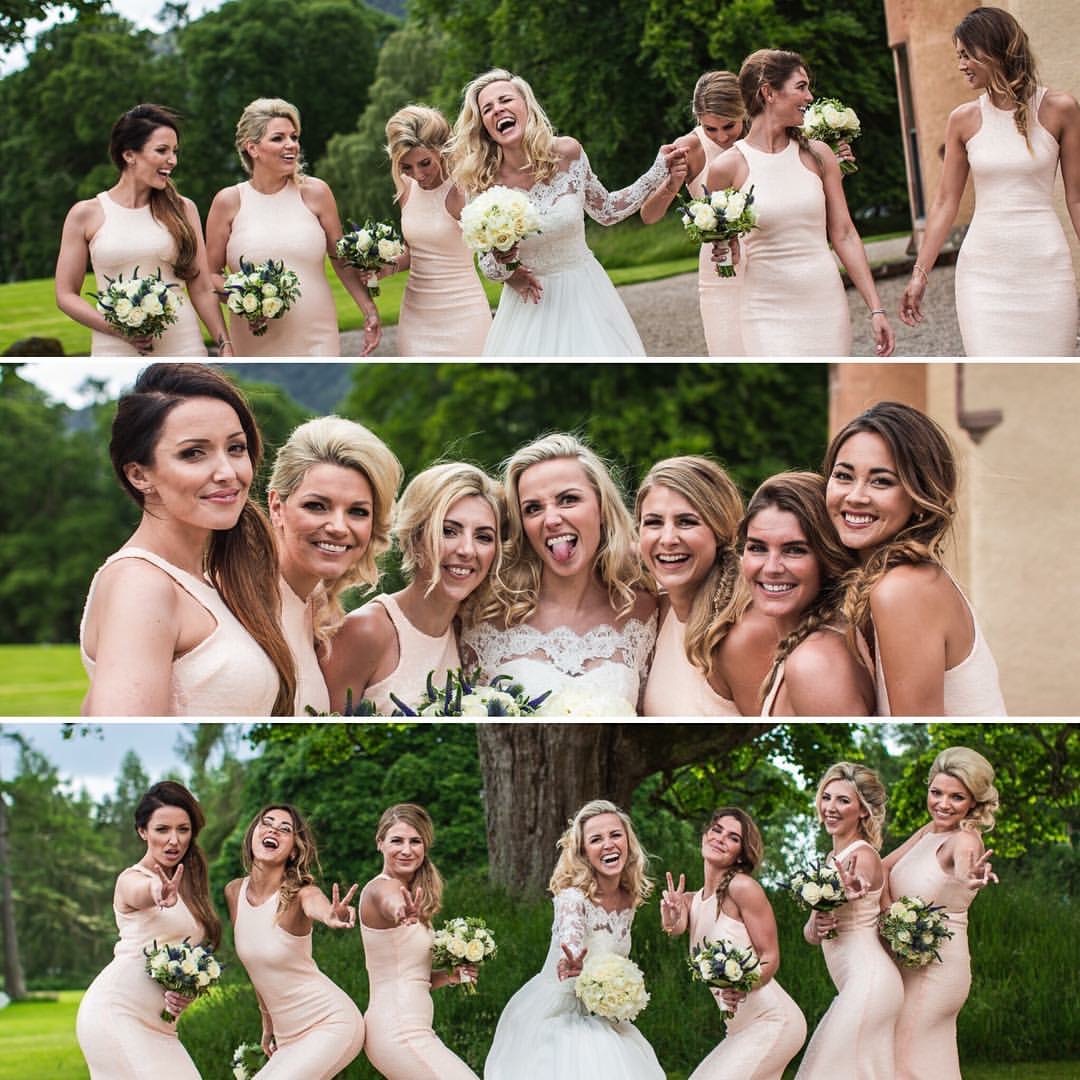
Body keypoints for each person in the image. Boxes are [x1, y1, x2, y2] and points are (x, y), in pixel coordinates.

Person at [80, 363, 295, 715]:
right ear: (139, 475)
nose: (227, 472)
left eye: (236, 448)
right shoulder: (141, 585)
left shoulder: (207, 583)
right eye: (193, 453)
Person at [448, 68, 676, 356]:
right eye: (487, 109)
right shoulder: (481, 181)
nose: (498, 110)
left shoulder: (568, 152)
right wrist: (507, 265)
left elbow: (606, 210)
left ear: (526, 105)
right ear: (483, 126)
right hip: (530, 304)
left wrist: (657, 172)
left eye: (505, 100)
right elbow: (489, 267)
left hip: (585, 293)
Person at [899, 7, 1079, 355]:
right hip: (983, 275)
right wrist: (920, 273)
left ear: (994, 49)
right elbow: (945, 202)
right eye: (958, 56)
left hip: (1046, 267)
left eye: (966, 55)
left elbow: (1077, 198)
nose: (961, 65)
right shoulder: (962, 120)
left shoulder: (1061, 109)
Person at [823, 400, 1006, 715]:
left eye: (882, 481)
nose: (855, 496)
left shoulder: (905, 590)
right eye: (843, 476)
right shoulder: (895, 580)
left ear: (920, 498)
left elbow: (916, 724)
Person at [707, 50, 895, 357]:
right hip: (765, 309)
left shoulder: (818, 155)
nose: (809, 97)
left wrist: (876, 309)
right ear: (768, 92)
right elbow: (726, 246)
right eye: (801, 87)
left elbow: (845, 234)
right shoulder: (727, 167)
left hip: (825, 303)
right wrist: (726, 247)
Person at [462, 434, 656, 712]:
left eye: (568, 499)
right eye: (533, 508)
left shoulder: (647, 610)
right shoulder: (483, 613)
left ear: (602, 507)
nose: (551, 520)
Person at [484, 799, 663, 1079]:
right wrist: (572, 958)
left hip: (604, 1014)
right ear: (583, 852)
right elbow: (571, 933)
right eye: (596, 839)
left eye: (615, 835)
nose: (608, 844)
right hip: (559, 1011)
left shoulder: (628, 899)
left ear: (628, 842)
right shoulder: (572, 898)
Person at [206, 97, 381, 356]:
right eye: (278, 138)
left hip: (316, 333)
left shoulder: (316, 193)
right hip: (253, 338)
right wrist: (244, 296)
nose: (291, 145)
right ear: (252, 148)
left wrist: (369, 309)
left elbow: (340, 258)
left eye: (294, 137)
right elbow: (210, 275)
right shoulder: (228, 201)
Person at [323, 462, 502, 714]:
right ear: (415, 537)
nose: (467, 550)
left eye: (483, 537)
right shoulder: (366, 631)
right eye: (448, 531)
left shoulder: (471, 636)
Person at [55, 104, 232, 357]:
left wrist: (225, 344)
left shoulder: (183, 209)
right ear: (129, 155)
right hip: (114, 350)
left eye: (175, 151)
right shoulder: (85, 214)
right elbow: (65, 295)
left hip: (183, 346)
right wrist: (118, 330)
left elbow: (202, 287)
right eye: (162, 150)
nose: (172, 160)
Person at [77, 782, 220, 1078]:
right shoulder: (132, 879)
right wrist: (157, 891)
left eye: (183, 829)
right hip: (116, 1012)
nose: (174, 840)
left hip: (161, 1026)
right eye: (162, 829)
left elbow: (186, 962)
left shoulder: (190, 888)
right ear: (143, 831)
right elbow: (141, 890)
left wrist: (186, 993)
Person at [267, 416, 402, 714]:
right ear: (277, 507)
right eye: (317, 506)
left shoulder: (318, 610)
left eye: (358, 511)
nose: (338, 527)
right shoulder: (236, 598)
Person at [660, 807, 806, 1079]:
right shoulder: (691, 900)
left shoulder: (742, 888)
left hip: (773, 1020)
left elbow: (770, 956)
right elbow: (675, 927)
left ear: (740, 854)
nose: (721, 838)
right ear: (704, 836)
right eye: (716, 830)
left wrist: (743, 984)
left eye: (733, 837)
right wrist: (670, 914)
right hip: (738, 1030)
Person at [884, 748, 999, 1080]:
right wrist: (888, 914)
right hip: (909, 960)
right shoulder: (930, 831)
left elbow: (965, 869)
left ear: (974, 802)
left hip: (938, 968)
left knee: (905, 1062)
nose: (943, 804)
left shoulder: (965, 840)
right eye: (937, 793)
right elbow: (883, 867)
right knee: (917, 1061)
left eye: (956, 797)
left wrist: (969, 877)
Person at [225, 804, 364, 1078]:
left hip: (329, 1023)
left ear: (293, 851)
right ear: (253, 834)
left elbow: (319, 906)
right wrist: (268, 1022)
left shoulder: (301, 893)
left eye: (284, 829)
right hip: (287, 1037)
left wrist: (332, 915)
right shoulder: (234, 892)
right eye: (267, 823)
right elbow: (256, 970)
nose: (273, 830)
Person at [796, 763, 904, 1079]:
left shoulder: (864, 856)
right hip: (855, 984)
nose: (830, 807)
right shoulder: (832, 860)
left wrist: (854, 888)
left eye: (843, 800)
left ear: (863, 811)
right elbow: (812, 934)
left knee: (824, 1069)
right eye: (827, 797)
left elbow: (861, 881)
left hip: (871, 981)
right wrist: (816, 924)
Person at [738, 472, 874, 717]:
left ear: (828, 558)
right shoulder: (814, 646)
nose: (771, 568)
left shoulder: (814, 664)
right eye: (757, 548)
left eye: (794, 550)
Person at [359, 804, 477, 1079]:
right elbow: (390, 902)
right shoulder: (381, 888)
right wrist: (400, 911)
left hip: (411, 1028)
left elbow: (411, 977)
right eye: (396, 841)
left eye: (415, 841)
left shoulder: (415, 895)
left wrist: (450, 976)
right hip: (397, 1031)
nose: (406, 850)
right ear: (380, 843)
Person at [640, 71, 748, 356]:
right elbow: (648, 216)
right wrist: (673, 183)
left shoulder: (762, 137)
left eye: (729, 125)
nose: (721, 136)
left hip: (769, 257)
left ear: (744, 110)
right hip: (719, 265)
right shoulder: (689, 147)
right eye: (710, 128)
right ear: (698, 118)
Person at [636, 456, 745, 715]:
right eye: (653, 522)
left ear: (719, 530)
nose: (668, 539)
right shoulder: (659, 609)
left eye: (686, 521)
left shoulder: (741, 631)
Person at [382, 105, 492, 354]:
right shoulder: (406, 188)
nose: (418, 175)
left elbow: (493, 249)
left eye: (425, 163)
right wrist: (387, 267)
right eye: (406, 167)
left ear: (441, 150)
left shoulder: (463, 190)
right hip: (416, 317)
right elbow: (413, 253)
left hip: (463, 315)